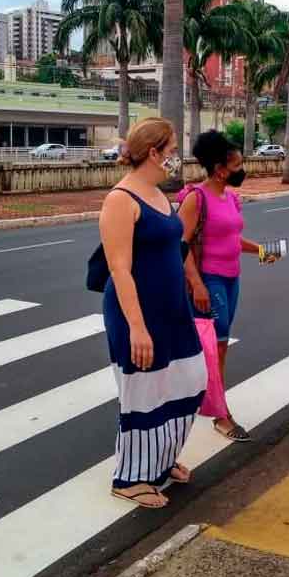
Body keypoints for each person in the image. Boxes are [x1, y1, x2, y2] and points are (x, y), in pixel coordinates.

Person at [99, 118, 207, 509]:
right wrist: (137, 329)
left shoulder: (159, 194)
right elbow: (119, 269)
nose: (177, 156)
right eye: (173, 149)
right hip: (136, 314)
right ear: (154, 152)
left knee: (188, 382)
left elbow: (172, 250)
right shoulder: (121, 199)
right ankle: (129, 478)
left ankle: (159, 461)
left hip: (172, 309)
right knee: (143, 393)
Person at [177, 130, 270, 442]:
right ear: (219, 169)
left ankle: (202, 397)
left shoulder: (231, 197)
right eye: (237, 165)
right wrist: (197, 284)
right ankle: (220, 414)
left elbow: (231, 239)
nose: (242, 170)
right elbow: (182, 245)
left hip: (232, 278)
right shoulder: (195, 198)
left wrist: (261, 250)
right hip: (210, 280)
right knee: (217, 344)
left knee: (219, 344)